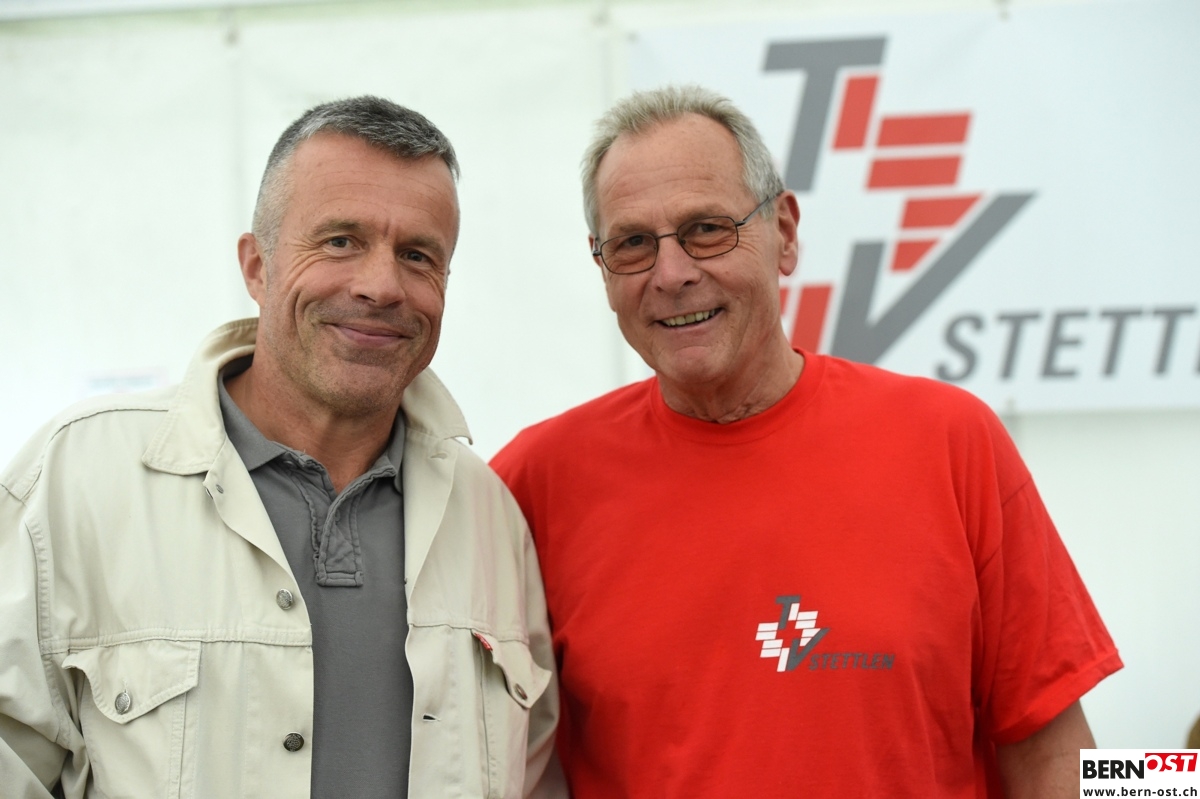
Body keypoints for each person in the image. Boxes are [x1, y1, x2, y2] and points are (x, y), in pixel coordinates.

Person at [490, 85, 1121, 798]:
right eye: (633, 243)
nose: (672, 274)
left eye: (707, 229)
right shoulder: (531, 484)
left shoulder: (951, 443)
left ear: (785, 233)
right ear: (601, 266)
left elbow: (1057, 758)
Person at [0, 96, 562, 798]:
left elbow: (536, 773)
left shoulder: (488, 514)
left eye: (418, 255)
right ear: (257, 266)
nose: (381, 285)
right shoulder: (77, 478)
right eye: (340, 241)